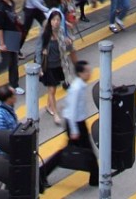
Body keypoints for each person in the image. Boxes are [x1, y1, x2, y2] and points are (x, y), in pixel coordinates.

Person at [41, 60, 97, 188]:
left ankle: (95, 177)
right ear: (81, 73)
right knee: (82, 152)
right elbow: (71, 111)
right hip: (75, 124)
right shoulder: (77, 88)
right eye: (87, 71)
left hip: (78, 122)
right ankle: (96, 177)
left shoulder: (80, 85)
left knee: (80, 151)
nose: (90, 73)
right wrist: (74, 131)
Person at [39, 10, 71, 125]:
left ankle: (48, 106)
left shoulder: (61, 31)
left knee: (53, 89)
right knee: (52, 90)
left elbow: (63, 48)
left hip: (59, 65)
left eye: (58, 20)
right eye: (54, 20)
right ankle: (56, 114)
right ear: (50, 21)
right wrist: (39, 68)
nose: (56, 22)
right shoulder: (45, 34)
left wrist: (66, 41)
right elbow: (38, 51)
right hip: (48, 67)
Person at [0, 85, 20, 191]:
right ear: (8, 98)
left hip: (9, 152)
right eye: (14, 95)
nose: (16, 96)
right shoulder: (0, 114)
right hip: (1, 154)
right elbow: (1, 137)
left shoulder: (8, 109)